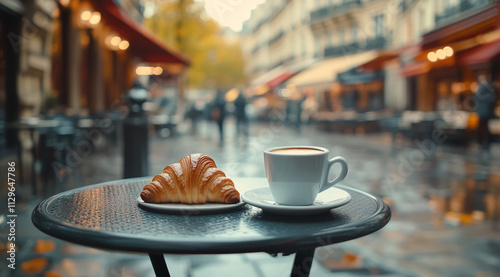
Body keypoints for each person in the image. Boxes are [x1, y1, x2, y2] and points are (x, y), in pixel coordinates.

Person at [474, 73, 497, 151]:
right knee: (483, 126)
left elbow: (491, 99)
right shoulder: (481, 88)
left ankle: (485, 142)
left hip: (484, 111)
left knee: (484, 126)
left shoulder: (485, 88)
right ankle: (484, 141)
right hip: (483, 111)